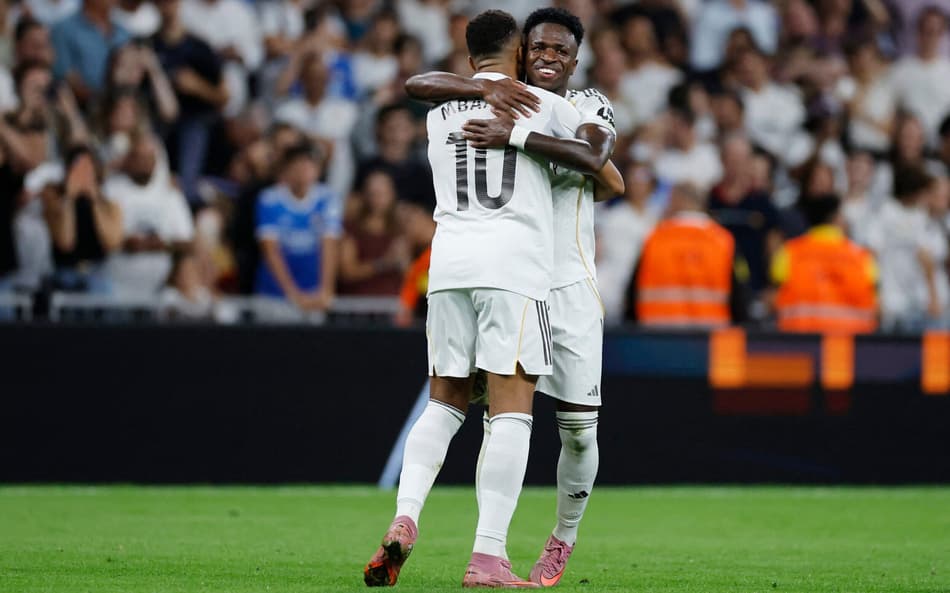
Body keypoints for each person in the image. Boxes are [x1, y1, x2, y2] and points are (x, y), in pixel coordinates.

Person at [364, 9, 593, 589]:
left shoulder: (441, 109)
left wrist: (473, 86)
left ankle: (405, 515)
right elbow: (603, 164)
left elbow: (416, 84)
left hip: (448, 268)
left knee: (443, 405)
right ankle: (488, 556)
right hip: (512, 269)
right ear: (518, 54)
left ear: (470, 60)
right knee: (511, 412)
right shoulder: (544, 105)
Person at [632, 183, 742, 328]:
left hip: (659, 340)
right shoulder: (724, 242)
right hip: (710, 343)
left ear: (677, 201)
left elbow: (632, 296)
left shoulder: (654, 240)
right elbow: (740, 302)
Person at [101, 132, 194, 296]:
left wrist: (160, 244)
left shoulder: (170, 194)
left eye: (149, 158)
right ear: (128, 158)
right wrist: (126, 243)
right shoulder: (111, 190)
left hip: (159, 291)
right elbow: (102, 237)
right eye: (139, 157)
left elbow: (188, 242)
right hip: (114, 286)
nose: (144, 163)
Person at [772, 193, 877, 334]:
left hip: (800, 343)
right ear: (835, 218)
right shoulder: (861, 257)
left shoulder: (789, 252)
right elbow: (877, 304)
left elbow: (773, 296)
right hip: (852, 347)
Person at [254, 142, 340, 311]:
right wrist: (292, 294)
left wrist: (326, 290)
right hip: (275, 295)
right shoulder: (270, 199)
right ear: (287, 169)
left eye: (310, 165)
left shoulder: (327, 199)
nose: (304, 170)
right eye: (299, 164)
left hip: (314, 293)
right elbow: (271, 251)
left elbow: (329, 246)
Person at [338, 169, 408, 296]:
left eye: (382, 193)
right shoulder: (352, 229)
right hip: (357, 305)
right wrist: (382, 263)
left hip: (392, 304)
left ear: (392, 195)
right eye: (373, 193)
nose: (378, 199)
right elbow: (347, 271)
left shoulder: (400, 229)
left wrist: (403, 262)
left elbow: (409, 273)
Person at [50, 0, 130, 104]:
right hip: (78, 109)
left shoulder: (124, 33)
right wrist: (100, 101)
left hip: (121, 110)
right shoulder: (63, 30)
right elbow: (64, 74)